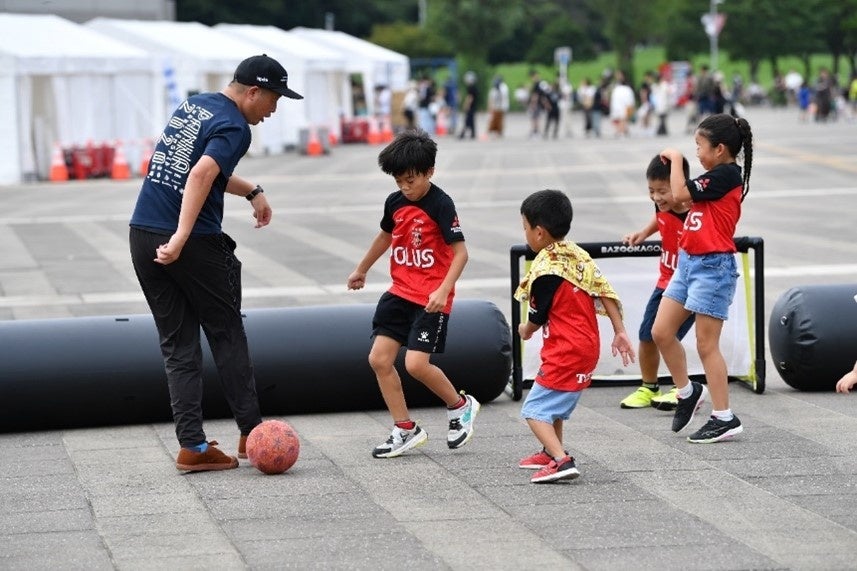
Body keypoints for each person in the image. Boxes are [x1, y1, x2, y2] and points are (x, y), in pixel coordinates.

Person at [128, 54, 303, 471]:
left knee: (178, 345)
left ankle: (193, 446)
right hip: (190, 243)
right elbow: (202, 174)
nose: (274, 110)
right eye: (274, 99)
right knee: (227, 333)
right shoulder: (235, 126)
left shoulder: (196, 105)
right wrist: (183, 237)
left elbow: (190, 167)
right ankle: (252, 433)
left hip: (141, 233)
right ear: (253, 91)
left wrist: (252, 191)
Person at [346, 130, 479, 458]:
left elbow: (461, 253)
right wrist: (361, 268)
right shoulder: (395, 203)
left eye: (410, 180)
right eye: (398, 182)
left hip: (431, 298)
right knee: (378, 359)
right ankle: (405, 428)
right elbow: (384, 237)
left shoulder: (441, 204)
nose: (405, 188)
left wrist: (443, 289)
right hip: (400, 293)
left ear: (429, 172)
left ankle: (460, 406)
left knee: (417, 365)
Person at [514, 190, 635, 483]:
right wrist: (619, 330)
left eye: (525, 228)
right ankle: (548, 450)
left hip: (566, 349)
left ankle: (561, 460)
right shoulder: (578, 255)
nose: (526, 234)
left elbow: (537, 316)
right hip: (586, 345)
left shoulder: (544, 270)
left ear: (539, 232)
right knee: (552, 402)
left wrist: (525, 330)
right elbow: (604, 290)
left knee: (534, 409)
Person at [653, 113, 754, 444]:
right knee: (661, 332)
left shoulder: (726, 175)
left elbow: (681, 195)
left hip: (713, 267)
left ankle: (724, 416)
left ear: (720, 149)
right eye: (693, 147)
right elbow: (679, 200)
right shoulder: (715, 175)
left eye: (699, 146)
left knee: (705, 344)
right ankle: (687, 391)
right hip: (688, 264)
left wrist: (678, 160)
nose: (695, 152)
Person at [619, 155, 695, 410]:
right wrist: (643, 232)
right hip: (665, 282)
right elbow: (660, 216)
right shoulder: (661, 206)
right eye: (651, 191)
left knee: (668, 337)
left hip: (688, 283)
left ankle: (682, 389)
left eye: (662, 191)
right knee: (647, 335)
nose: (656, 197)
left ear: (679, 184)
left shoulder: (696, 212)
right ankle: (648, 387)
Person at [458, 71, 478, 140]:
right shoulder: (474, 87)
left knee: (467, 121)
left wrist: (466, 105)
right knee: (471, 121)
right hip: (474, 107)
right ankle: (473, 134)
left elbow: (470, 98)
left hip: (470, 107)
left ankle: (462, 134)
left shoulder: (470, 88)